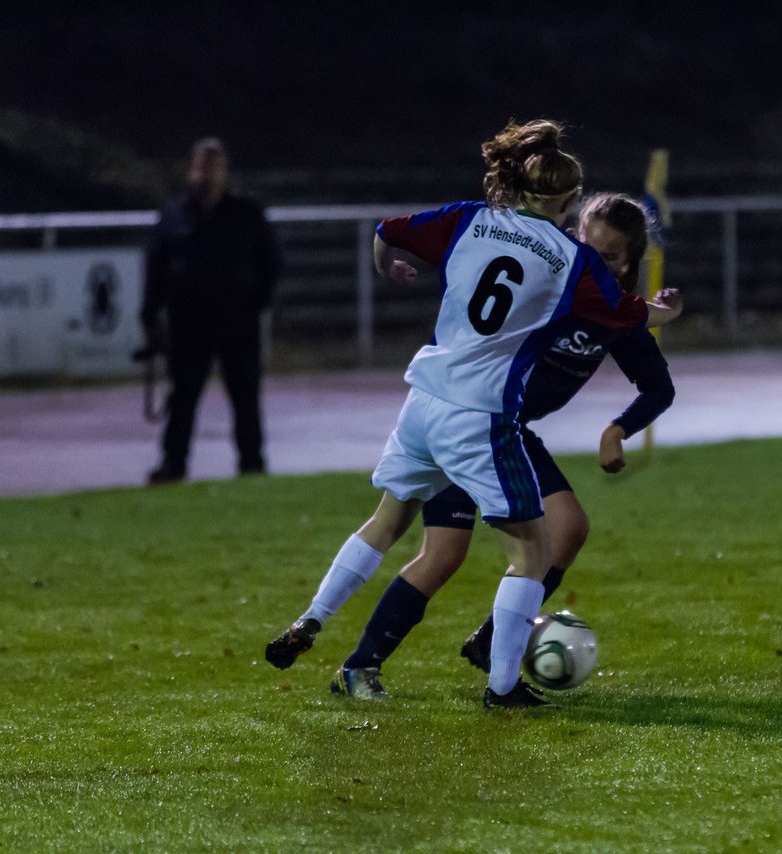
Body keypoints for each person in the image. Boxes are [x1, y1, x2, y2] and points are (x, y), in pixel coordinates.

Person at [264, 120, 648, 708]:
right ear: (568, 202)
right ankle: (502, 689)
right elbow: (625, 316)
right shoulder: (572, 260)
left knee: (389, 520)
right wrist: (659, 314)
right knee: (533, 553)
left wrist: (387, 268)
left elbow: (386, 232)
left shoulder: (472, 218)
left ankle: (313, 618)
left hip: (423, 400)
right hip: (479, 416)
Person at [140, 137, 282, 484]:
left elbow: (272, 263)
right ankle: (174, 464)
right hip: (189, 324)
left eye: (213, 167)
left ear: (224, 172)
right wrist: (150, 315)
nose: (207, 175)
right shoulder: (174, 215)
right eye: (202, 167)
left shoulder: (246, 213)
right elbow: (155, 267)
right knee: (183, 397)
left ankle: (252, 463)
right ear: (192, 170)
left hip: (238, 322)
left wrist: (256, 303)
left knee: (245, 397)